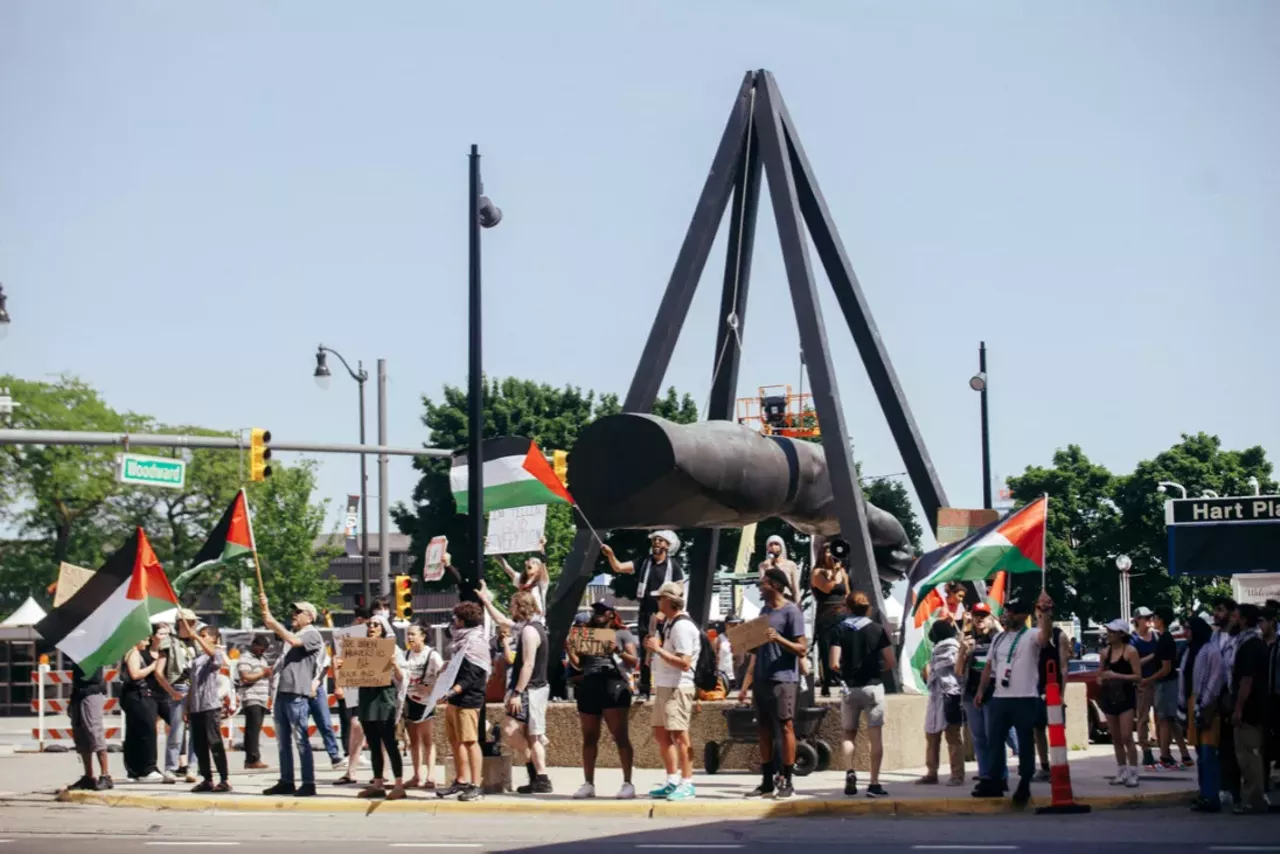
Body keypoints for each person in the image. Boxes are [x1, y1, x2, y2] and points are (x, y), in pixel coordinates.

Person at [971, 592, 1054, 807]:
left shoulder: (1032, 635)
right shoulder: (998, 637)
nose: (1008, 614)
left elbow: (1045, 637)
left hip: (1024, 697)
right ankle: (996, 780)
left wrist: (1045, 614)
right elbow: (989, 666)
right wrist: (981, 690)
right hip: (1000, 697)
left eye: (1013, 611)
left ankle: (1025, 781)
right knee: (994, 741)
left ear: (1024, 615)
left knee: (1025, 742)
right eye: (1007, 610)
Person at [477, 584, 552, 795]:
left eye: (512, 605)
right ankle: (540, 778)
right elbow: (502, 621)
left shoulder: (529, 632)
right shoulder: (530, 627)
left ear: (520, 607)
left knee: (511, 730)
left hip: (529, 689)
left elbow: (528, 664)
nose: (510, 609)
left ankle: (538, 774)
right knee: (532, 735)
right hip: (534, 688)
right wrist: (487, 602)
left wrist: (518, 692)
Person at [738, 567, 807, 799]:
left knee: (786, 726)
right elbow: (759, 644)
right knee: (763, 728)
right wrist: (745, 641)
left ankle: (787, 779)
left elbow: (802, 648)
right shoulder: (765, 609)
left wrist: (779, 638)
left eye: (764, 582)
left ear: (776, 585)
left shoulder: (792, 612)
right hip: (762, 677)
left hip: (784, 679)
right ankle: (767, 780)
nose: (760, 586)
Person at [565, 597, 638, 800]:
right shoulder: (586, 634)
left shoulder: (622, 633)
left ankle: (627, 782)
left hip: (613, 683)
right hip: (590, 684)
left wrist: (618, 650)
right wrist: (570, 651)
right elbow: (579, 665)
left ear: (611, 614)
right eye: (596, 611)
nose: (598, 614)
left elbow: (634, 662)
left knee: (620, 735)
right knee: (589, 736)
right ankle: (588, 783)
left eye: (602, 611)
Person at [600, 530, 685, 698]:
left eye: (661, 541)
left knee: (665, 648)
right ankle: (644, 688)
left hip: (664, 613)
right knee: (646, 649)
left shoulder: (673, 567)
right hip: (646, 612)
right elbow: (618, 567)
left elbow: (679, 590)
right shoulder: (643, 562)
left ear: (668, 546)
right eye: (655, 540)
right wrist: (610, 554)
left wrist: (664, 612)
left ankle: (667, 685)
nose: (657, 543)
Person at [830, 591, 895, 798]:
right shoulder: (877, 629)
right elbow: (890, 661)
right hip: (873, 686)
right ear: (868, 608)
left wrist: (845, 671)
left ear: (848, 608)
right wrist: (878, 671)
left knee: (849, 734)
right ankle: (874, 783)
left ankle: (850, 772)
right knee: (875, 737)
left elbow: (833, 663)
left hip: (850, 688)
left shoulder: (840, 629)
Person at [259, 596, 324, 797]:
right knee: (283, 741)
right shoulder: (296, 634)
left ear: (310, 617)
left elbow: (294, 641)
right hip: (282, 692)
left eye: (298, 612)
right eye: (293, 612)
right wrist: (266, 612)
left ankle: (308, 782)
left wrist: (271, 620)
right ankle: (286, 780)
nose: (293, 615)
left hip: (297, 693)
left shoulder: (312, 634)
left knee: (301, 740)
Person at [336, 614, 406, 800]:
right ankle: (377, 783)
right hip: (367, 699)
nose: (372, 627)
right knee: (374, 744)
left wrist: (394, 665)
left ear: (383, 628)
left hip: (384, 700)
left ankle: (399, 784)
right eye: (370, 624)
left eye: (376, 625)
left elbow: (401, 678)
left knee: (389, 743)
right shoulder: (360, 648)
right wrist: (343, 667)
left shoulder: (393, 650)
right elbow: (351, 674)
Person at [645, 581, 699, 802]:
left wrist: (657, 649)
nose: (657, 602)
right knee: (661, 733)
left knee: (679, 735)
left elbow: (685, 663)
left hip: (678, 685)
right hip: (665, 684)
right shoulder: (670, 623)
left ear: (668, 600)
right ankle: (672, 780)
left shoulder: (682, 627)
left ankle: (687, 782)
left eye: (660, 598)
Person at [438, 601, 490, 802]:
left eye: (456, 619)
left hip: (468, 699)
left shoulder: (475, 643)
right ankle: (461, 780)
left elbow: (472, 675)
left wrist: (451, 692)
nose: (453, 622)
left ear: (463, 621)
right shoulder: (461, 641)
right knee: (455, 740)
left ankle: (476, 785)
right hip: (454, 700)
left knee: (470, 742)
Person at [182, 619, 230, 793]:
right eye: (200, 635)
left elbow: (214, 657)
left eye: (204, 636)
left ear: (213, 638)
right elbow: (192, 684)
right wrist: (187, 706)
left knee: (214, 742)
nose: (199, 639)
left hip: (210, 705)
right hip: (196, 706)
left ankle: (224, 779)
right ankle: (207, 778)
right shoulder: (197, 658)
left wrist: (196, 636)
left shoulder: (215, 653)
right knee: (199, 745)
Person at [1230, 603, 1269, 814]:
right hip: (1255, 707)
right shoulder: (1251, 642)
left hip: (1249, 709)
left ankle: (1253, 799)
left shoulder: (1249, 645)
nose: (1232, 620)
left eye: (1235, 616)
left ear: (1244, 619)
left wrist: (1238, 708)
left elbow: (1246, 680)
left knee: (1248, 755)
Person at [958, 603, 1002, 789]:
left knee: (994, 736)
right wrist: (962, 651)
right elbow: (959, 671)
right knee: (978, 736)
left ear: (991, 618)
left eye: (984, 616)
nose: (980, 619)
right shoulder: (969, 639)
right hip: (971, 692)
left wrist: (997, 624)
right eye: (977, 616)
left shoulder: (998, 640)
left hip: (993, 692)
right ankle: (984, 774)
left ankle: (999, 775)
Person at [1185, 616, 1225, 812]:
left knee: (1209, 753)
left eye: (1189, 629)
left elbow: (1216, 679)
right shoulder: (1190, 652)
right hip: (1193, 704)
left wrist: (1204, 704)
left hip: (1208, 707)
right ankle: (1204, 793)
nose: (1186, 633)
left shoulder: (1211, 651)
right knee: (1201, 754)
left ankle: (1212, 796)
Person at [1095, 618, 1141, 787]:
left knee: (1127, 736)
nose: (1109, 635)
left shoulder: (1130, 652)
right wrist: (1101, 680)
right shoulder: (1104, 653)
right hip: (1109, 696)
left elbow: (1138, 676)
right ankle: (1121, 770)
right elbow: (1100, 674)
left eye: (1112, 632)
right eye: (1108, 632)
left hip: (1126, 697)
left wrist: (1117, 676)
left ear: (1121, 634)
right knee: (1115, 738)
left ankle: (1134, 772)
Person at [919, 618, 965, 786]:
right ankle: (932, 773)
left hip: (949, 695)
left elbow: (955, 670)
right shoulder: (937, 649)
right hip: (935, 696)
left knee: (952, 736)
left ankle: (957, 775)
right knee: (931, 736)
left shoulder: (951, 648)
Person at [1147, 606, 1193, 770]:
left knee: (1164, 721)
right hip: (1168, 683)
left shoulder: (1166, 639)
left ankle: (1165, 757)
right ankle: (1185, 755)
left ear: (1161, 620)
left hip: (1165, 684)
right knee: (1172, 721)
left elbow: (1166, 668)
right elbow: (1156, 657)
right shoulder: (1164, 638)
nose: (1153, 621)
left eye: (1155, 618)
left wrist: (1148, 680)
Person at [333, 606, 372, 786]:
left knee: (371, 729)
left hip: (372, 687)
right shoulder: (346, 637)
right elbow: (337, 660)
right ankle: (351, 769)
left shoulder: (379, 638)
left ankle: (383, 773)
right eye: (367, 623)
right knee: (354, 725)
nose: (370, 627)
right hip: (354, 685)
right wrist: (339, 684)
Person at [160, 609, 199, 783]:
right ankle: (170, 768)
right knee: (177, 731)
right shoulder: (169, 642)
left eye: (194, 622)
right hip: (178, 687)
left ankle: (193, 767)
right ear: (180, 623)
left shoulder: (197, 642)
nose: (193, 625)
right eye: (190, 622)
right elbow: (158, 672)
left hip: (195, 689)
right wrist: (171, 691)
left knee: (196, 731)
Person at [403, 623, 443, 791]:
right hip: (410, 700)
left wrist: (431, 688)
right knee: (413, 741)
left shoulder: (432, 655)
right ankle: (416, 775)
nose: (410, 637)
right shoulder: (405, 654)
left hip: (426, 702)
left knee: (427, 739)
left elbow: (444, 675)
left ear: (423, 636)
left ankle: (430, 775)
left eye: (413, 634)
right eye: (408, 634)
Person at [1032, 615, 1071, 782]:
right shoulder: (1032, 634)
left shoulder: (1059, 635)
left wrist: (1062, 693)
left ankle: (1060, 765)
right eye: (1039, 613)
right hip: (1036, 688)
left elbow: (1064, 666)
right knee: (1038, 729)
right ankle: (1045, 766)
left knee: (1057, 730)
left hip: (1053, 686)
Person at [810, 541, 851, 697]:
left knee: (844, 648)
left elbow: (847, 592)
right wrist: (834, 572)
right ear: (822, 554)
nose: (831, 555)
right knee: (826, 649)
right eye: (828, 552)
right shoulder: (817, 573)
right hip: (826, 615)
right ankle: (827, 682)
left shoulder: (843, 571)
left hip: (842, 613)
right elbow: (827, 588)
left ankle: (843, 680)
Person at [120, 632, 162, 782]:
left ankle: (134, 770)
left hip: (135, 695)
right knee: (146, 730)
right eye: (144, 638)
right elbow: (135, 674)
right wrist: (153, 666)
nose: (147, 641)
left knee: (135, 732)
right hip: (137, 695)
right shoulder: (133, 653)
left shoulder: (135, 652)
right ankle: (147, 768)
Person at [65, 662, 113, 792]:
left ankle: (105, 775)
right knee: (80, 735)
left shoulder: (95, 652)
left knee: (94, 732)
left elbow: (95, 678)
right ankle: (88, 777)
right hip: (78, 694)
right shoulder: (77, 654)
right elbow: (76, 679)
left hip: (92, 692)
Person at [236, 634, 272, 771]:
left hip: (262, 697)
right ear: (254, 645)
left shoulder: (262, 659)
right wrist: (263, 674)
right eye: (260, 649)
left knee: (255, 728)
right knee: (252, 728)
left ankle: (252, 757)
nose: (261, 652)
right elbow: (245, 677)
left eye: (264, 650)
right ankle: (252, 758)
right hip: (251, 697)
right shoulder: (245, 658)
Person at [1130, 606, 1161, 767]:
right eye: (1145, 617)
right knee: (1143, 718)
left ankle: (1164, 751)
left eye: (1150, 616)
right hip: (1143, 683)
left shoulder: (1156, 636)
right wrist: (1153, 656)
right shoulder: (1133, 640)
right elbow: (1134, 664)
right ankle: (1146, 751)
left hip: (1159, 681)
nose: (1149, 619)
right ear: (1137, 620)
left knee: (1161, 717)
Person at [308, 640, 343, 771]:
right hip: (299, 689)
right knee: (299, 727)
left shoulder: (318, 646)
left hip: (317, 688)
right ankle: (304, 759)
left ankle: (334, 755)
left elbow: (325, 666)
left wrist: (316, 683)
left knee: (325, 723)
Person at [497, 536, 551, 621]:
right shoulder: (520, 580)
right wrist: (492, 551)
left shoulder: (541, 583)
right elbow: (506, 567)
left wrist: (542, 550)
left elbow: (543, 563)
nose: (529, 563)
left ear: (539, 568)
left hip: (537, 622)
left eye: (534, 562)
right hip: (522, 621)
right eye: (529, 561)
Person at [757, 535, 801, 604]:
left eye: (776, 544)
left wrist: (799, 606)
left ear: (781, 546)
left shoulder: (791, 564)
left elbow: (796, 589)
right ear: (767, 548)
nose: (773, 547)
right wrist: (768, 568)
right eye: (770, 545)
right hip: (772, 602)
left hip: (787, 600)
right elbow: (763, 587)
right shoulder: (763, 565)